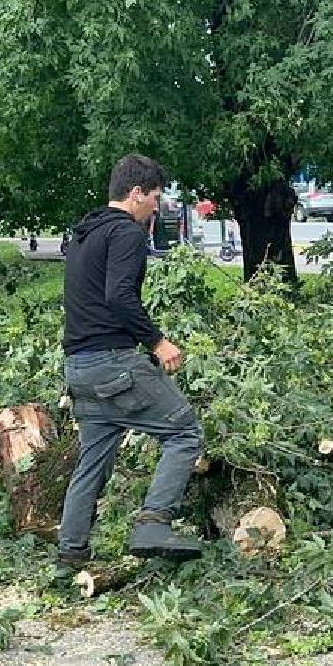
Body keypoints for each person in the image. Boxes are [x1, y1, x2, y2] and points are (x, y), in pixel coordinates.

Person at [57, 154, 206, 568]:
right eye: (155, 197)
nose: (156, 207)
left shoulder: (85, 234)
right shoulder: (125, 233)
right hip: (112, 364)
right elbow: (119, 296)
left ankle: (71, 553)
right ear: (136, 193)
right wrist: (158, 343)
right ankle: (153, 524)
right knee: (185, 432)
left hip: (79, 368)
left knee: (92, 461)